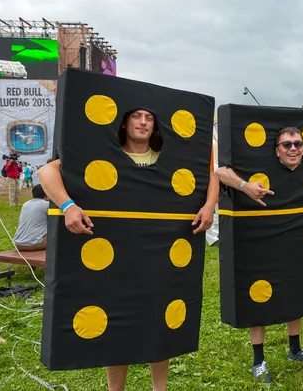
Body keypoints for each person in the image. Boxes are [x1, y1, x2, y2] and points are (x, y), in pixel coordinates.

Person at [37, 108, 219, 391]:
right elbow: (46, 171)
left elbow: (211, 175)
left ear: (156, 126)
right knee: (116, 324)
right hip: (116, 254)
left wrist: (209, 206)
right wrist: (67, 205)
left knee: (159, 323)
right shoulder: (101, 154)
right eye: (137, 116)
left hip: (159, 254)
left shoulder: (169, 160)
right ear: (124, 122)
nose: (143, 122)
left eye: (149, 117)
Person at [215, 126, 303, 384]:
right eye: (287, 145)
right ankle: (258, 361)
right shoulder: (259, 164)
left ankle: (295, 349)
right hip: (263, 242)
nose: (293, 148)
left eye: (298, 144)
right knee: (259, 298)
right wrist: (245, 186)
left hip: (296, 241)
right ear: (276, 151)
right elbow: (220, 172)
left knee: (295, 292)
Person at [13, 184, 49, 251]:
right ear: (46, 193)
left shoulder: (25, 204)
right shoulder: (47, 205)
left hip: (18, 243)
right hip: (36, 244)